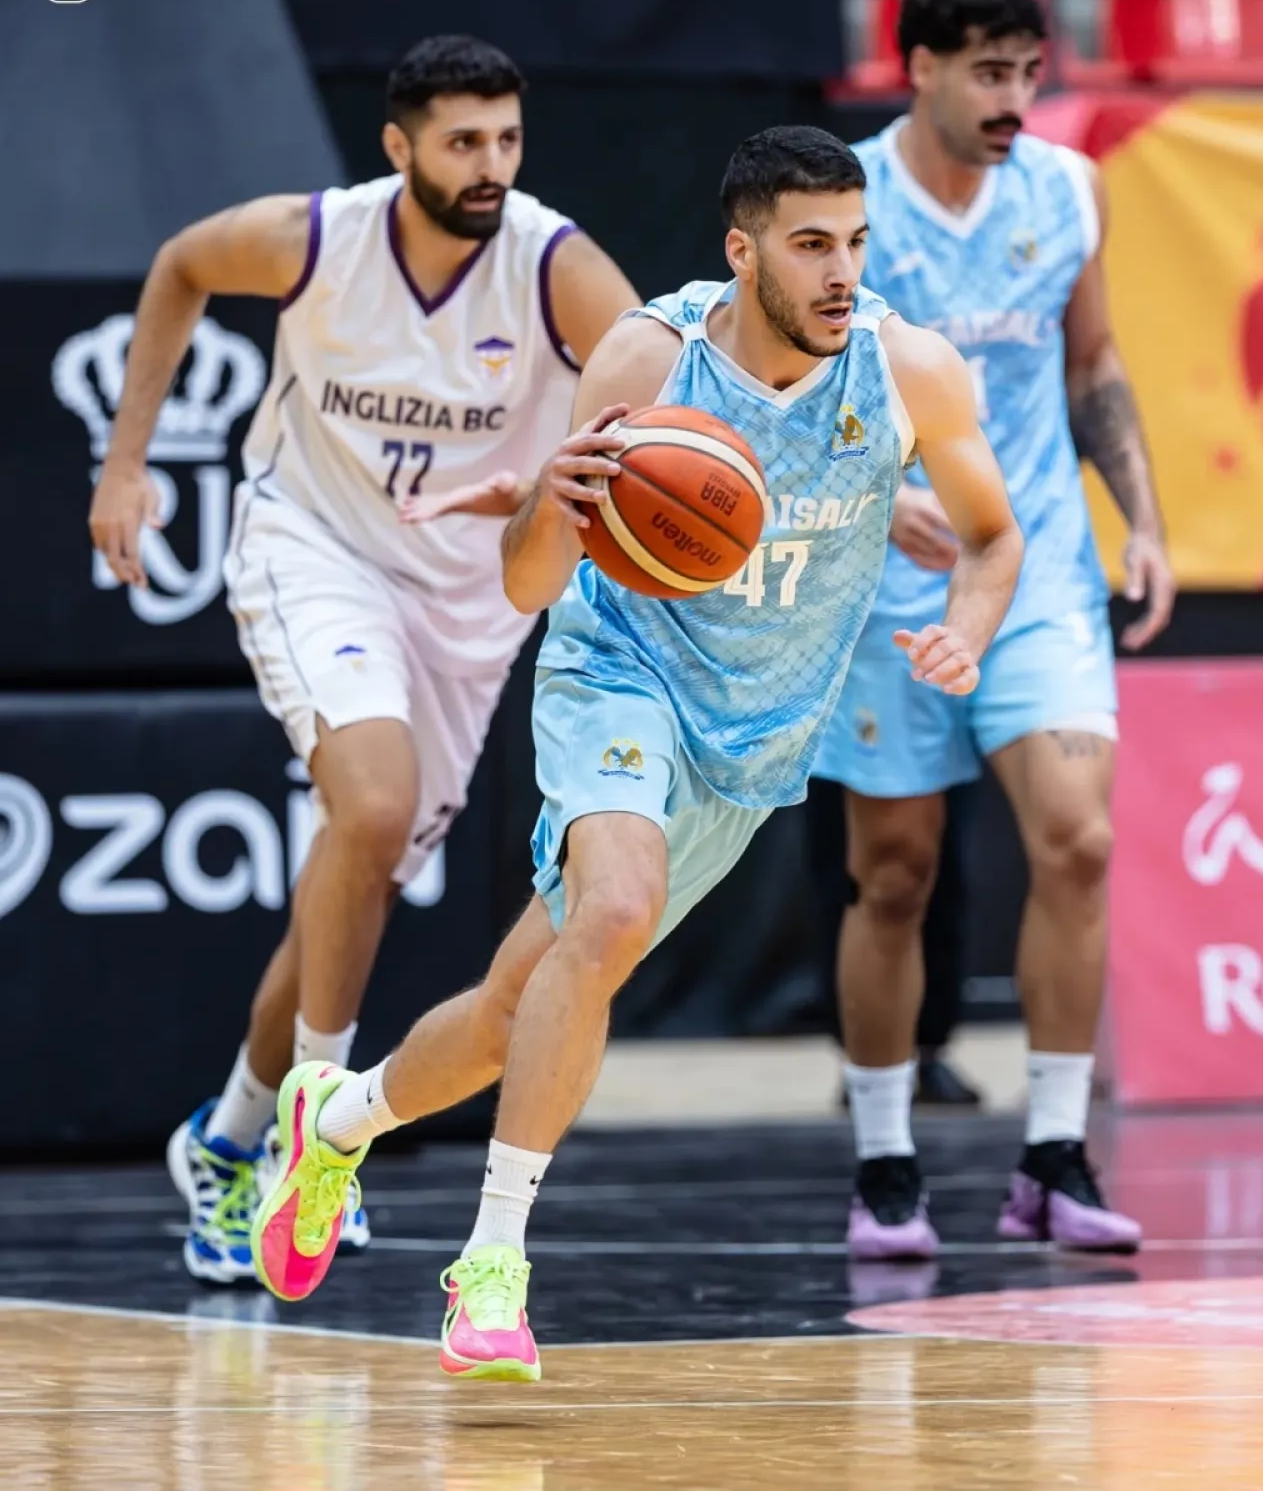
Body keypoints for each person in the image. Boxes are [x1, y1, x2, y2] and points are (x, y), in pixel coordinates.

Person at [246, 125, 1024, 1378]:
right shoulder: (649, 358)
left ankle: (335, 1118)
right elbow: (525, 582)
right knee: (612, 907)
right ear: (742, 251)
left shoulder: (908, 370)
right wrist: (553, 504)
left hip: (751, 737)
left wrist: (965, 633)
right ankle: (493, 1264)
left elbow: (992, 536)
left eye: (854, 242)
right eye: (809, 244)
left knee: (510, 1012)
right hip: (619, 673)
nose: (840, 272)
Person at [87, 34, 640, 1284]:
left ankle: (226, 1138)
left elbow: (668, 378)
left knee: (363, 866)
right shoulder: (315, 238)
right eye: (462, 141)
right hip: (318, 546)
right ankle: (313, 1128)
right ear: (398, 147)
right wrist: (126, 465)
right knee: (374, 804)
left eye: (506, 138)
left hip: (471, 596)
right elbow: (180, 265)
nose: (490, 164)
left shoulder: (551, 263)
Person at [812, 0, 1175, 1260]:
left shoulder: (1067, 190)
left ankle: (1054, 1155)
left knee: (1075, 839)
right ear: (917, 67)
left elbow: (1093, 361)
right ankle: (884, 1160)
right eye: (986, 71)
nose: (1014, 96)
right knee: (894, 874)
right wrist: (871, 498)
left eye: (1028, 71)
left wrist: (1143, 517)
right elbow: (782, 387)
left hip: (1035, 566)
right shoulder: (842, 204)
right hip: (886, 578)